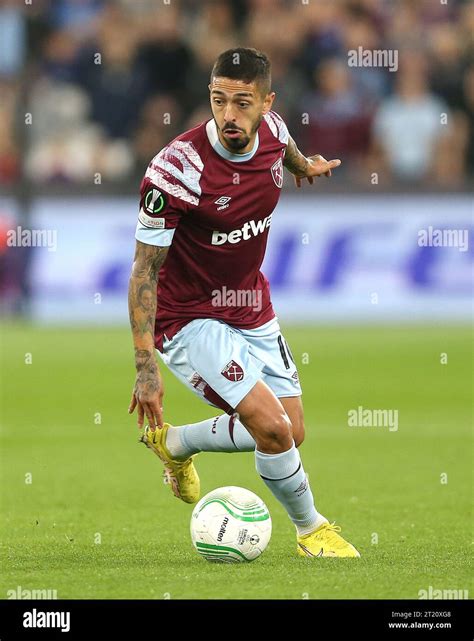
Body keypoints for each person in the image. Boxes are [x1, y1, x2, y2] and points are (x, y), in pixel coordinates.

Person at [128, 47, 359, 558]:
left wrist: (306, 166)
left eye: (242, 103)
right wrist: (146, 365)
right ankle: (311, 530)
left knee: (291, 431)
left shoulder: (274, 131)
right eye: (218, 101)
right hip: (188, 317)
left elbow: (287, 150)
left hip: (251, 303)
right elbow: (144, 270)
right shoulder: (176, 171)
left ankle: (176, 443)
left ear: (266, 102)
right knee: (272, 428)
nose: (229, 115)